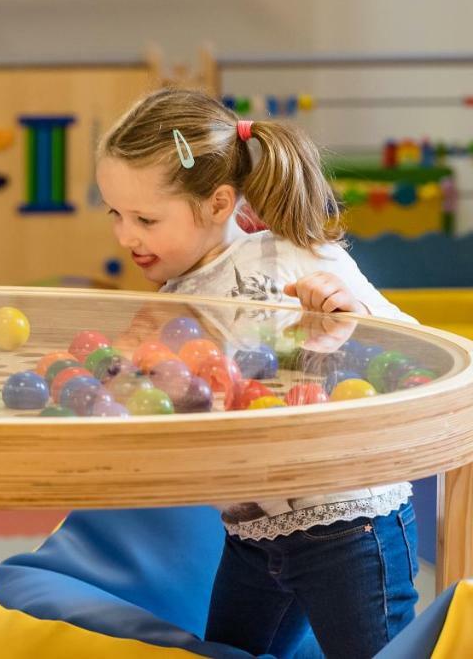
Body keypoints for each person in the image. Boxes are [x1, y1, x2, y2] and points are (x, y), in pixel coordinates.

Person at [96, 88, 420, 658]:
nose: (126, 236)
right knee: (231, 651)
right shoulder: (174, 302)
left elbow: (416, 348)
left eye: (146, 218)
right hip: (254, 530)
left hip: (347, 524)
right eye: (115, 215)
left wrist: (346, 314)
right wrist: (127, 373)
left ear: (218, 204)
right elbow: (198, 409)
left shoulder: (289, 255)